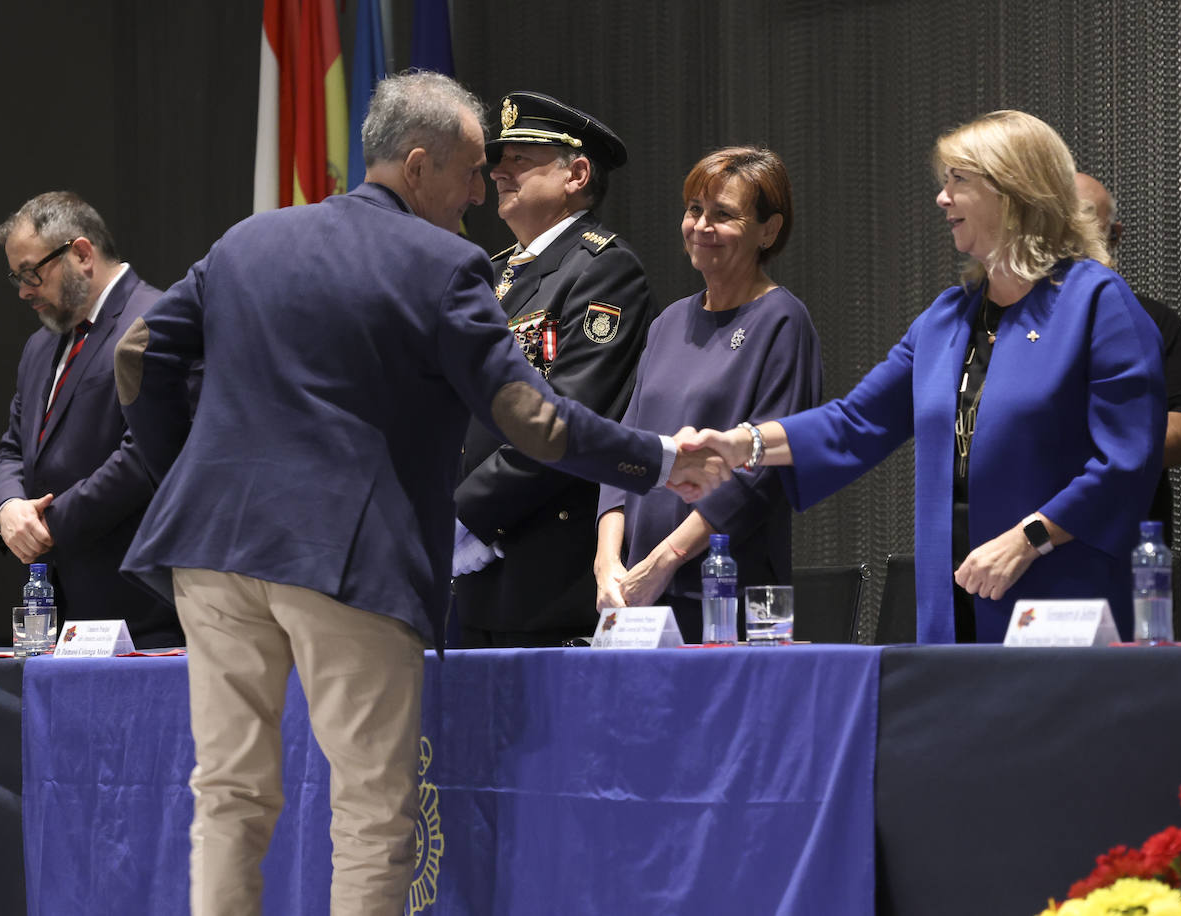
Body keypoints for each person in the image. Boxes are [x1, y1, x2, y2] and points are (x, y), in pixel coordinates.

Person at [112, 71, 727, 916]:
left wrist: (186, 468)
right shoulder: (444, 263)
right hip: (346, 557)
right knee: (370, 811)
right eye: (472, 170)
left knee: (228, 795)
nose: (480, 194)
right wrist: (660, 461)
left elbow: (138, 354)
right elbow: (536, 423)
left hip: (210, 551)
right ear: (416, 165)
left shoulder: (248, 241)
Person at [690, 112, 1166, 644]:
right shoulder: (946, 319)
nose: (942, 199)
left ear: (1013, 191)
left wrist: (1031, 538)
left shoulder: (1097, 303)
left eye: (958, 180)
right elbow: (854, 424)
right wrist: (742, 443)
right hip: (954, 600)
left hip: (1060, 599)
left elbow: (1127, 461)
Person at [593, 147, 823, 643]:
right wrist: (606, 561)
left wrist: (666, 558)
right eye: (695, 210)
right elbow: (624, 453)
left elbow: (762, 473)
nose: (701, 226)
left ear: (769, 230)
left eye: (724, 215)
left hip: (729, 596)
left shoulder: (783, 321)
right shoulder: (667, 323)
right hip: (638, 594)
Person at [453, 91, 656, 648]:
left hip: (541, 578)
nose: (498, 171)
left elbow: (566, 417)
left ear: (577, 173)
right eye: (500, 158)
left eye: (521, 158)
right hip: (465, 575)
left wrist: (467, 513)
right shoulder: (486, 274)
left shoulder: (604, 271)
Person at [0, 191, 183, 649]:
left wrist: (48, 524)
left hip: (143, 619)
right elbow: (12, 449)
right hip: (58, 619)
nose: (24, 290)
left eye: (32, 272)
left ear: (81, 253)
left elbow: (146, 456)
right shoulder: (40, 347)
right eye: (16, 276)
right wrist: (8, 511)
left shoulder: (157, 321)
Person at [1075, 172, 1181, 542]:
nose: (1073, 238)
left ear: (1114, 236)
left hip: (1127, 543)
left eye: (1087, 220)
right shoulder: (1003, 319)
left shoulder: (1148, 320)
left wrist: (1098, 445)